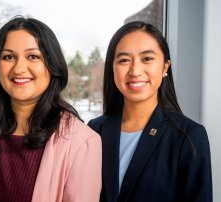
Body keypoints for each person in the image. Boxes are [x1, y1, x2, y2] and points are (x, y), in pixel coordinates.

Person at [0, 16, 102, 202]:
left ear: (52, 65)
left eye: (33, 56)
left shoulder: (83, 142)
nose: (19, 68)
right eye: (8, 57)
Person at [87, 21, 212, 202]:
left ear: (165, 67)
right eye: (124, 60)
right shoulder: (94, 131)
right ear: (112, 68)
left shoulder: (188, 136)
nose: (135, 71)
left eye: (147, 59)